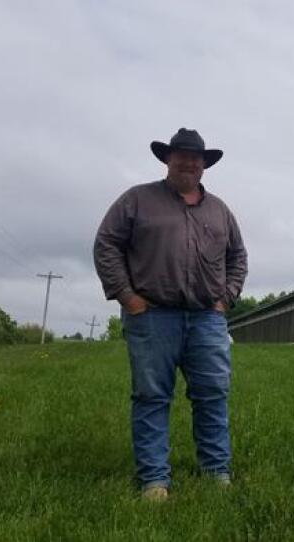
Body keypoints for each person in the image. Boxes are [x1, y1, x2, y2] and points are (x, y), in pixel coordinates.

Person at [93, 128, 248, 502]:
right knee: (151, 398)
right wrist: (128, 298)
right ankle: (154, 481)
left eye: (196, 157)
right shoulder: (136, 200)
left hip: (207, 320)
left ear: (204, 165)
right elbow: (106, 244)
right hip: (151, 316)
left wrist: (225, 298)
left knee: (212, 395)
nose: (188, 162)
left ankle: (216, 473)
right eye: (181, 155)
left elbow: (237, 257)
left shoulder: (220, 210)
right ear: (167, 159)